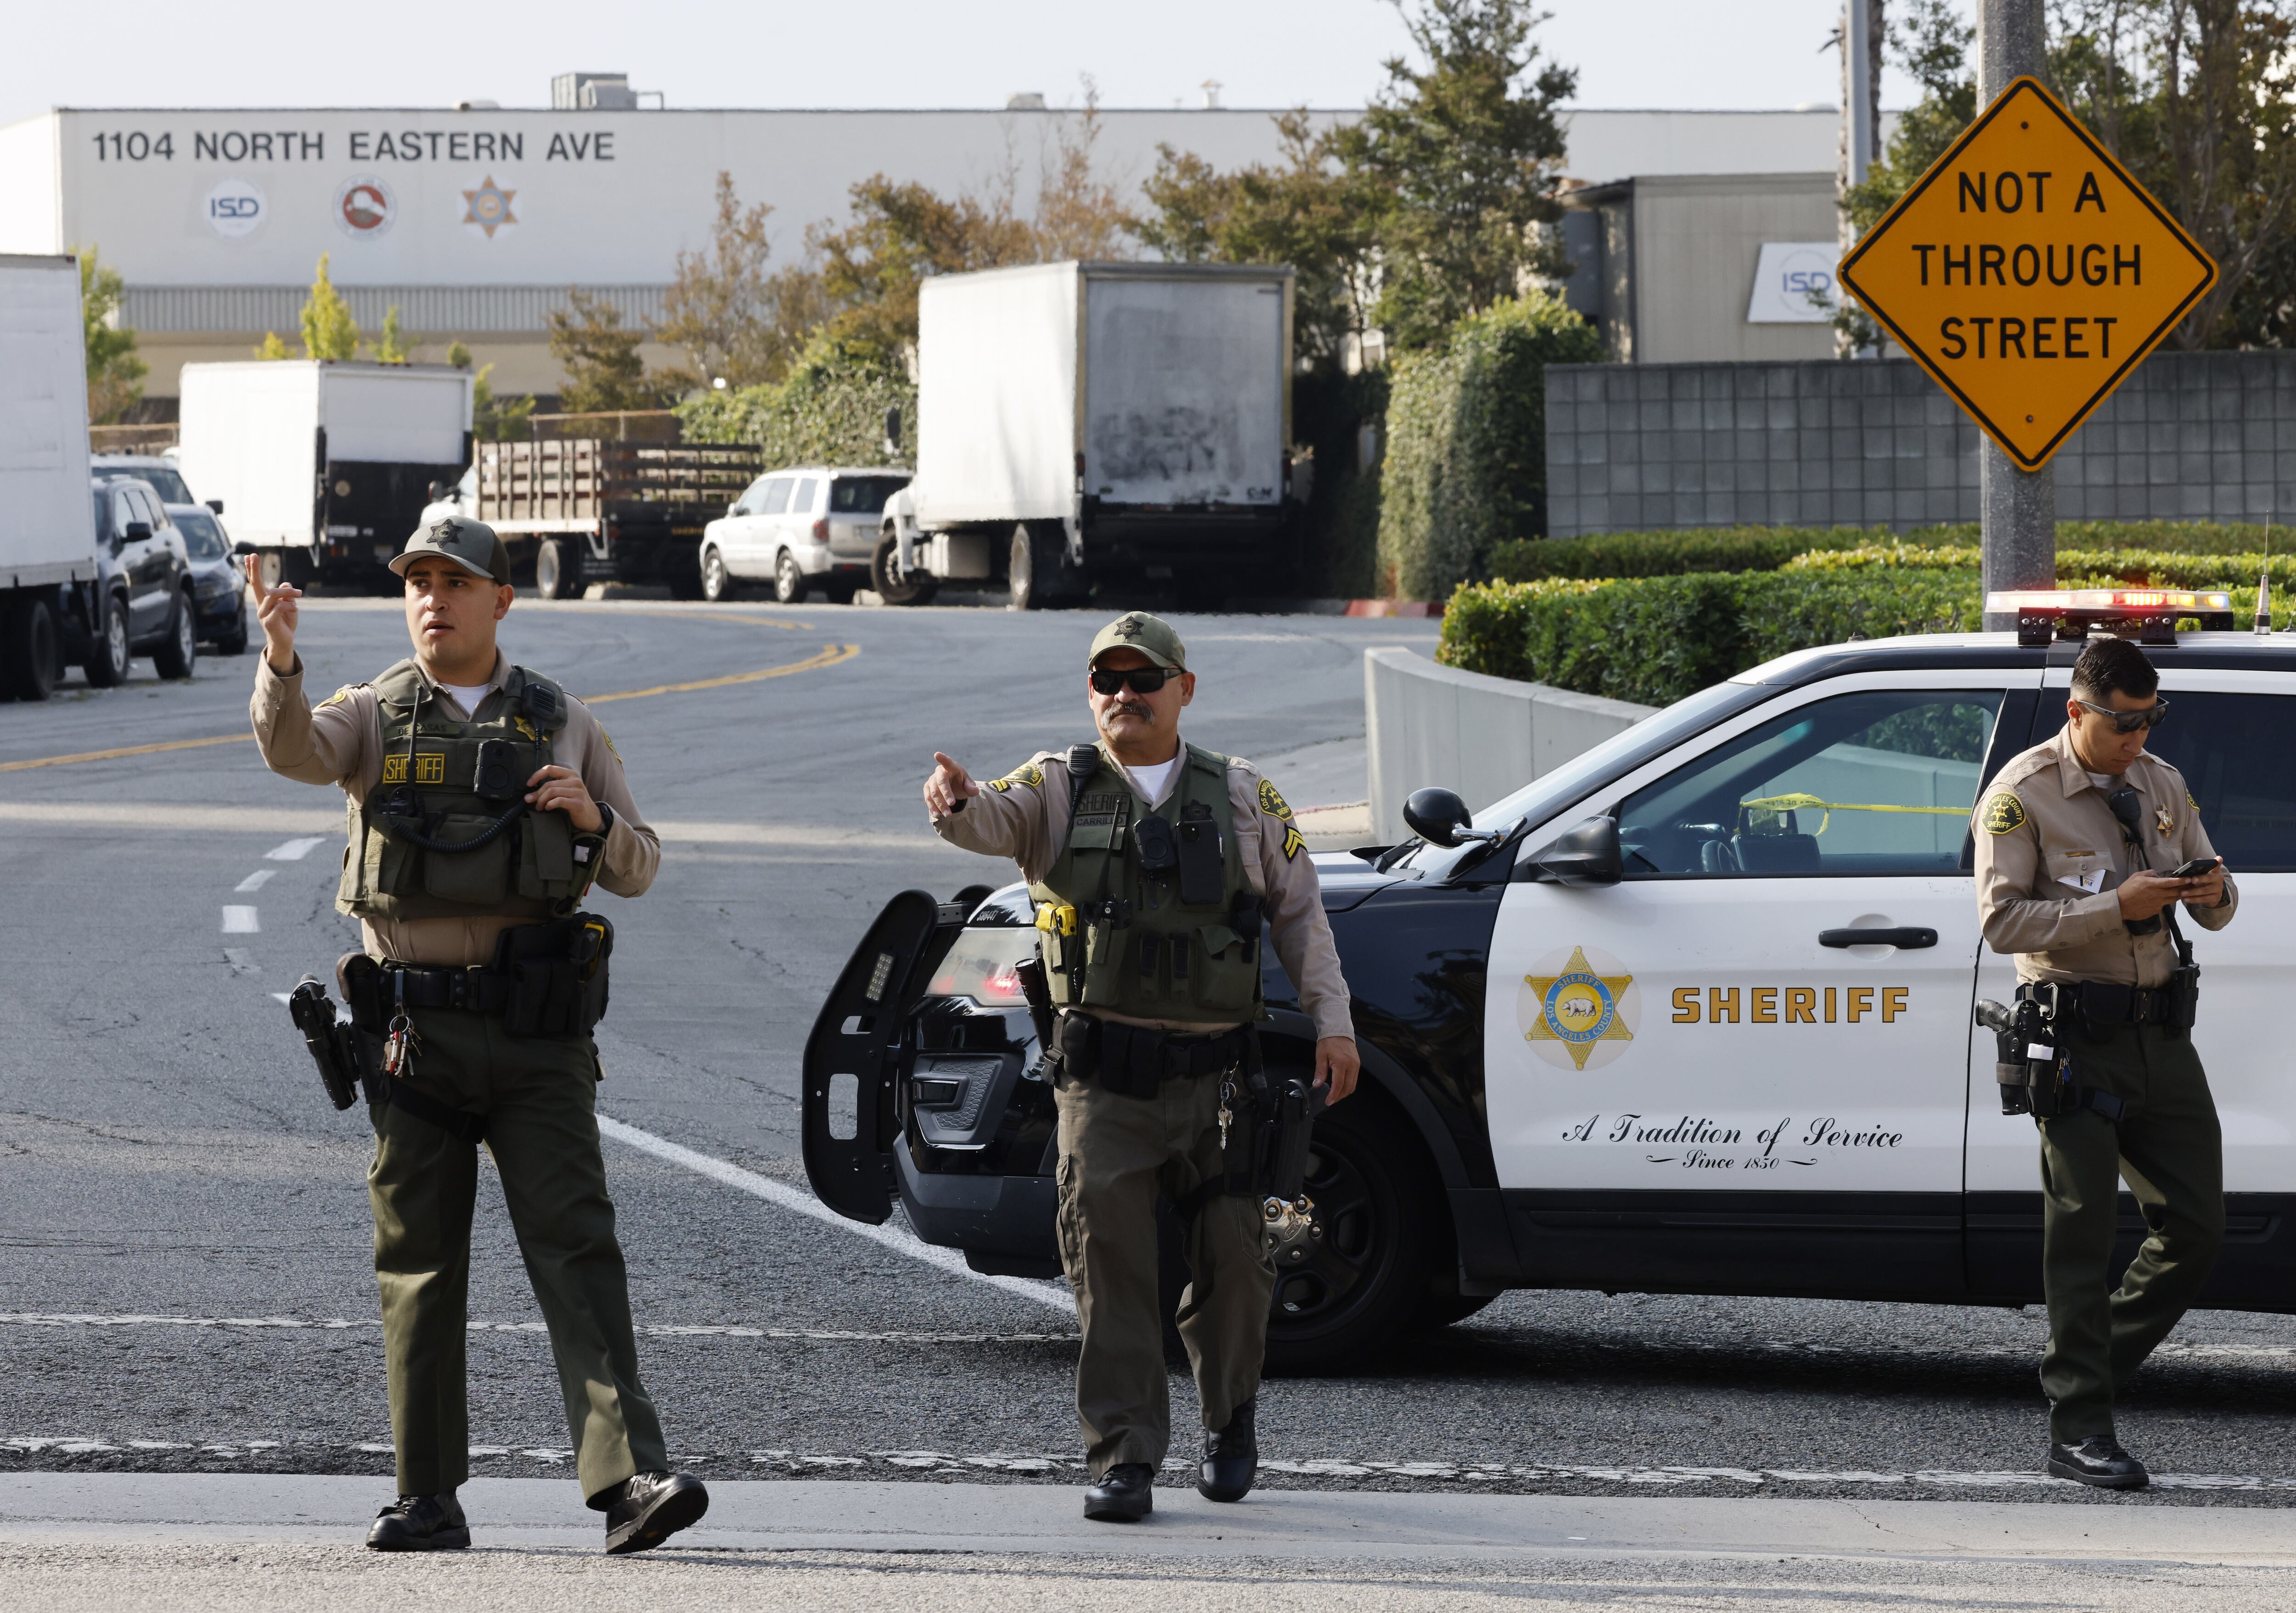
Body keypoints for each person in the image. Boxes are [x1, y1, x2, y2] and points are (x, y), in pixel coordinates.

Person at [245, 517, 708, 1554]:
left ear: (500, 599)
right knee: (417, 1261)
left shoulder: (563, 721)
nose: (432, 598)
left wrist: (591, 817)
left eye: (455, 581)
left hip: (538, 1035)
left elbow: (637, 865)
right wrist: (279, 658)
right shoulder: (372, 715)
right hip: (414, 1036)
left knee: (577, 1247)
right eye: (417, 580)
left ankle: (628, 1482)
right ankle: (426, 1494)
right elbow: (292, 752)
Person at [923, 610, 1357, 1522]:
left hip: (1220, 1083)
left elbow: (1302, 917)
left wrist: (1334, 1023)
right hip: (1104, 1083)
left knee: (1239, 1264)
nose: (1124, 693)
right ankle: (1124, 1456)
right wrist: (956, 806)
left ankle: (1230, 1419)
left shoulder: (1242, 794)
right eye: (1107, 679)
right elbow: (985, 819)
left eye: (1144, 678)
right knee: (1110, 1269)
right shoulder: (1053, 785)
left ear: (1182, 690)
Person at [1974, 634, 2236, 1489]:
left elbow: (2223, 910)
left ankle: (2079, 1373)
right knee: (2081, 1238)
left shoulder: (2160, 783)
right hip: (2075, 1035)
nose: (2138, 738)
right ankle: (2080, 1428)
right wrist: (2108, 908)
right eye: (2123, 723)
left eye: (2150, 719)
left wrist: (2213, 892)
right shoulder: (2022, 794)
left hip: (2162, 1035)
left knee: (2195, 1230)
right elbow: (2003, 923)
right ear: (2078, 711)